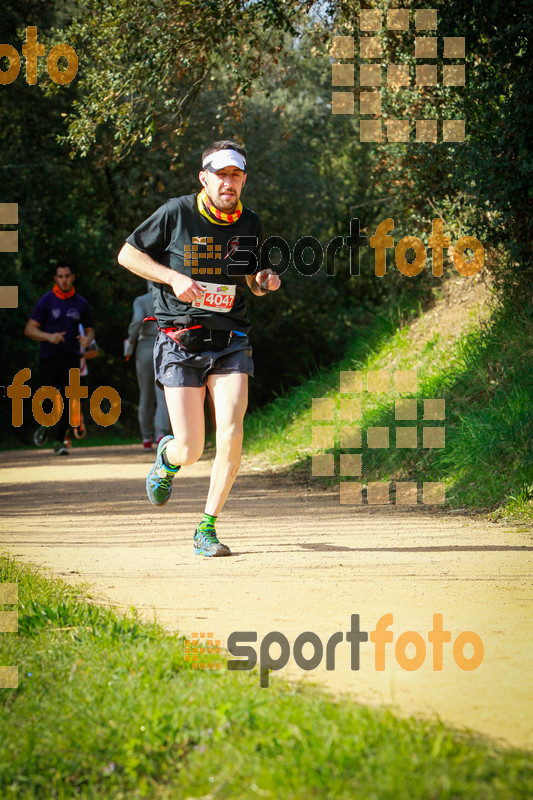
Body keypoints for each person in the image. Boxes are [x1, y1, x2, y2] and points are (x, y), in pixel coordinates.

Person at [118, 139, 280, 556]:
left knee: (231, 431)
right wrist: (172, 278)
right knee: (192, 447)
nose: (229, 183)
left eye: (236, 175)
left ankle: (206, 527)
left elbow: (251, 281)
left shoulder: (251, 223)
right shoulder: (177, 212)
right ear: (204, 178)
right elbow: (127, 255)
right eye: (221, 174)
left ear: (244, 180)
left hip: (231, 340)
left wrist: (262, 281)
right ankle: (167, 460)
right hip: (180, 340)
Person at [24, 262, 95, 455]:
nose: (64, 280)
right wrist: (49, 337)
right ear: (56, 279)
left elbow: (90, 332)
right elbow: (29, 329)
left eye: (67, 276)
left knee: (68, 398)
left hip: (71, 358)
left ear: (72, 277)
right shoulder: (47, 301)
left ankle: (59, 442)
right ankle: (45, 425)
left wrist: (87, 339)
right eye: (60, 276)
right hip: (49, 357)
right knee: (48, 400)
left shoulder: (81, 303)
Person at [124, 284, 171, 449]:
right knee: (162, 393)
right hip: (165, 344)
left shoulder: (141, 300)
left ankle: (146, 436)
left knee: (145, 393)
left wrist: (131, 339)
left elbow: (137, 320)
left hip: (144, 346)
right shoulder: (168, 297)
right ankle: (161, 434)